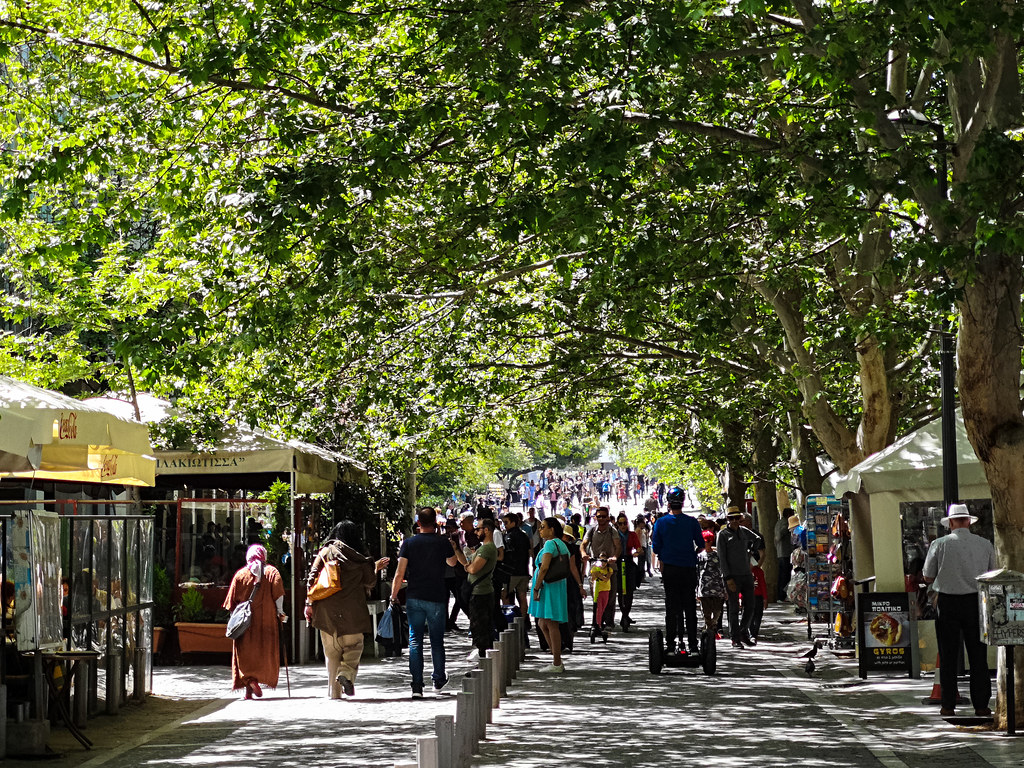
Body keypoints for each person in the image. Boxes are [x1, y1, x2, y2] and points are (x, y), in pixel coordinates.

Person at [922, 503, 996, 717]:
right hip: (976, 603)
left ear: (951, 523)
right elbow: (992, 573)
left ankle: (948, 705)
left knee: (947, 656)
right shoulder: (984, 544)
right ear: (968, 522)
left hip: (948, 603)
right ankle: (981, 706)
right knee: (978, 657)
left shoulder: (940, 544)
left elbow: (928, 576)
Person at [303, 521, 390, 699]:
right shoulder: (360, 558)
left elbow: (311, 580)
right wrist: (374, 568)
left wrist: (309, 603)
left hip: (326, 612)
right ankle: (346, 674)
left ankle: (334, 694)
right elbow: (370, 582)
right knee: (354, 647)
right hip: (353, 612)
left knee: (332, 653)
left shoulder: (325, 552)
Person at [389, 508, 459, 698]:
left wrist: (394, 595)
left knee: (415, 641)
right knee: (437, 641)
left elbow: (399, 572)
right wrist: (451, 547)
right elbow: (452, 563)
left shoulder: (409, 543)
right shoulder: (442, 542)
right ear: (435, 522)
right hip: (436, 596)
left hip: (414, 596)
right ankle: (438, 679)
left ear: (418, 523)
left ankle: (417, 686)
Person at [223, 544, 287, 700]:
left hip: (245, 625)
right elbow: (279, 596)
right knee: (263, 652)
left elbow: (230, 603)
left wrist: (236, 617)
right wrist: (281, 613)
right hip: (267, 623)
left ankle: (249, 682)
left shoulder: (240, 575)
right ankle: (255, 681)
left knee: (245, 653)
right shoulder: (272, 572)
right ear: (263, 556)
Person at [651, 486, 706, 654]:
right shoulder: (691, 522)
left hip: (670, 569)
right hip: (688, 568)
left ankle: (670, 643)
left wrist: (666, 554)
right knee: (689, 605)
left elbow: (656, 547)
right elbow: (701, 544)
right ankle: (693, 644)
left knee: (672, 606)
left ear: (668, 503)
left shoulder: (660, 522)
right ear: (682, 502)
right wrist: (691, 553)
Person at [453, 517, 498, 660]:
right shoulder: (481, 548)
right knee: (476, 624)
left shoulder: (487, 548)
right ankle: (481, 651)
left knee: (481, 626)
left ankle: (483, 653)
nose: (476, 531)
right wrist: (456, 549)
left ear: (487, 530)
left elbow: (473, 569)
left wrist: (468, 566)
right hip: (477, 592)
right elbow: (467, 562)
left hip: (482, 593)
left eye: (478, 528)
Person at [529, 517, 571, 673]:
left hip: (549, 586)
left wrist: (537, 586)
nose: (540, 530)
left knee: (550, 623)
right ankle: (556, 658)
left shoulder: (549, 544)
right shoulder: (561, 544)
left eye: (543, 527)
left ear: (551, 529)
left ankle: (557, 661)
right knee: (543, 623)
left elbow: (545, 567)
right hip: (556, 586)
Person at [717, 507, 761, 648]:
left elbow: (758, 539)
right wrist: (728, 578)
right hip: (732, 576)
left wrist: (751, 551)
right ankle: (735, 638)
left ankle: (743, 632)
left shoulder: (744, 531)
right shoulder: (722, 535)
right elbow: (722, 558)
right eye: (731, 518)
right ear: (728, 519)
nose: (735, 521)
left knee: (751, 606)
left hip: (746, 575)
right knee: (734, 608)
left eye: (737, 518)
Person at [580, 506, 622, 628]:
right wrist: (583, 554)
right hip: (595, 567)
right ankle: (598, 621)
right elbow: (583, 544)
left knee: (610, 596)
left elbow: (618, 546)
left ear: (608, 517)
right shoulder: (592, 531)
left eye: (604, 516)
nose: (601, 519)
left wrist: (614, 557)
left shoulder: (612, 531)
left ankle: (609, 621)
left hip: (610, 566)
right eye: (599, 516)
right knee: (596, 596)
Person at [501, 512, 532, 621]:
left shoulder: (508, 536)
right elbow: (529, 551)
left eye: (506, 522)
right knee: (522, 597)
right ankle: (522, 621)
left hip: (511, 572)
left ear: (513, 522)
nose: (504, 524)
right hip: (523, 570)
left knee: (505, 595)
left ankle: (509, 621)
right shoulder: (524, 535)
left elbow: (506, 554)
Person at [697, 530, 726, 638]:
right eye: (705, 541)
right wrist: (697, 590)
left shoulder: (717, 556)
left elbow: (722, 571)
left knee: (717, 611)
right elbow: (697, 573)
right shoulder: (699, 556)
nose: (707, 543)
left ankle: (712, 627)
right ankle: (710, 630)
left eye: (709, 541)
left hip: (717, 587)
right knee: (705, 611)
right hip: (704, 588)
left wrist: (725, 590)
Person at [588, 559, 613, 643]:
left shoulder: (609, 569)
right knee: (598, 608)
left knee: (603, 608)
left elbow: (606, 578)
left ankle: (601, 623)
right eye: (601, 561)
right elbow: (593, 577)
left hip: (606, 590)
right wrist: (598, 573)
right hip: (598, 590)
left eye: (604, 561)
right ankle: (597, 624)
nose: (602, 563)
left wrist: (600, 576)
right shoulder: (595, 568)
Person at [775, 507, 795, 601]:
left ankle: (781, 595)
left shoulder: (779, 522)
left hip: (781, 552)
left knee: (783, 574)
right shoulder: (785, 523)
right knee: (785, 575)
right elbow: (779, 535)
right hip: (785, 552)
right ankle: (782, 595)